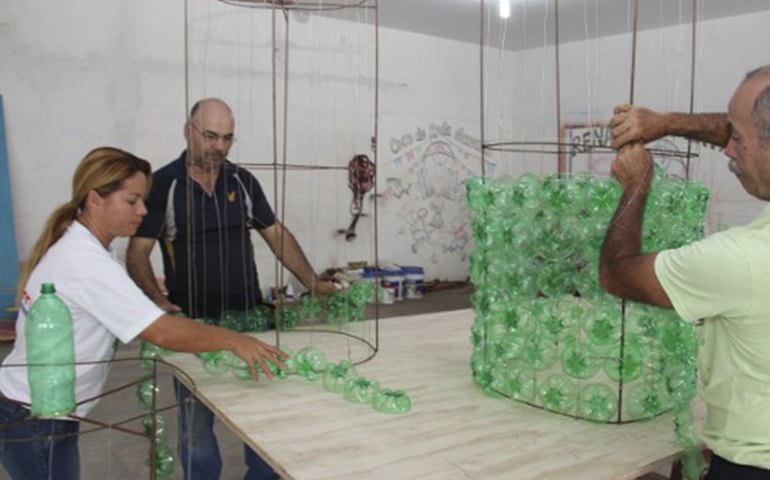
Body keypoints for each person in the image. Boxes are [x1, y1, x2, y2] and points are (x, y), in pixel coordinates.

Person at [0, 147, 286, 480]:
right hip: (34, 416)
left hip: (44, 409)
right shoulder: (83, 261)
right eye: (132, 201)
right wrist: (235, 341)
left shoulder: (88, 250)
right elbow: (161, 332)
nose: (143, 210)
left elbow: (107, 301)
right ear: (95, 199)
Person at [126, 98, 336, 480]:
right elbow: (138, 251)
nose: (218, 147)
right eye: (210, 136)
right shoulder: (164, 186)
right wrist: (157, 302)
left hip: (250, 322)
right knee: (196, 430)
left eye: (227, 138)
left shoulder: (242, 181)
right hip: (195, 326)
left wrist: (313, 282)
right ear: (188, 132)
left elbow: (276, 235)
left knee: (263, 420)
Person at [601, 65, 770, 479]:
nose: (728, 149)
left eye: (738, 139)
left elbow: (617, 274)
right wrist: (664, 123)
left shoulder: (742, 259)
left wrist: (637, 186)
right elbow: (748, 126)